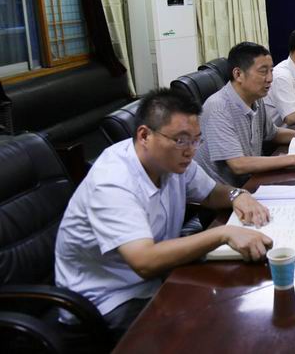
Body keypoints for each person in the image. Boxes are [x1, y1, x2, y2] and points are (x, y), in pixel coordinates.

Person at [55, 88, 273, 336]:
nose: (190, 150)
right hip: (110, 298)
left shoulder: (171, 160)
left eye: (196, 140)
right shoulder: (113, 182)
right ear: (144, 135)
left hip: (157, 275)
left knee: (238, 299)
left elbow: (211, 193)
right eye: (180, 140)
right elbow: (144, 261)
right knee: (211, 327)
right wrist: (222, 233)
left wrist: (238, 195)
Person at [195, 42, 295, 187]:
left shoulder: (256, 98)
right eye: (263, 72)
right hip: (226, 192)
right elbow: (238, 164)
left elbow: (274, 133)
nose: (270, 78)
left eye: (271, 71)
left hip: (251, 180)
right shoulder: (218, 108)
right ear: (238, 74)